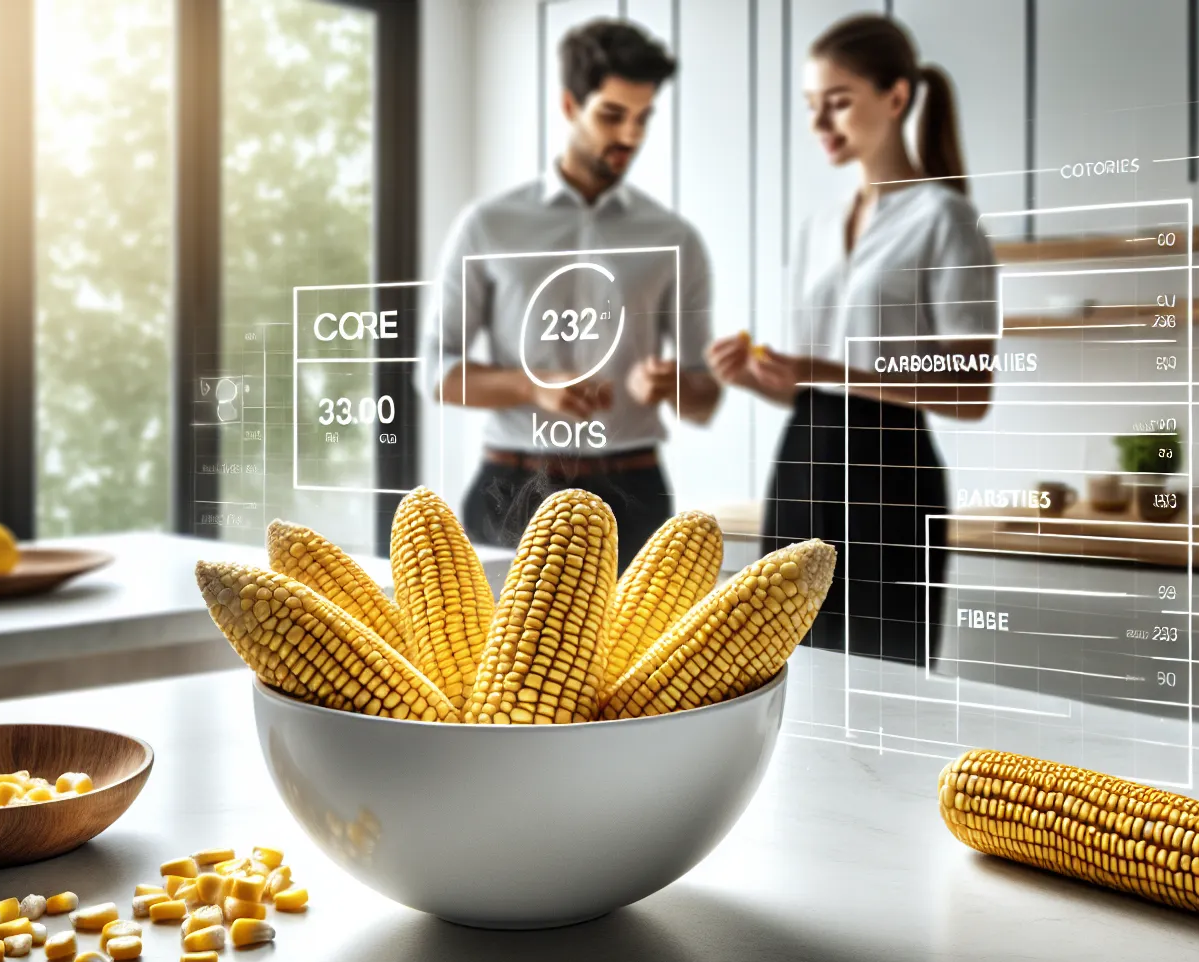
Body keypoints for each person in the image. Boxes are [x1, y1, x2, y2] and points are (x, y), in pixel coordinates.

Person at [706, 14, 997, 667]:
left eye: (839, 103)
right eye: (813, 107)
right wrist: (763, 376)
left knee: (882, 674)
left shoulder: (944, 218)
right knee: (781, 664)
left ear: (895, 98)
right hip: (802, 465)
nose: (821, 124)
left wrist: (825, 368)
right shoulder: (819, 226)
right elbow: (814, 384)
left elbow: (972, 390)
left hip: (887, 477)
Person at [421, 19, 718, 565]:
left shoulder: (673, 238)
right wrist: (530, 387)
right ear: (568, 105)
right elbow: (434, 370)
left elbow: (704, 396)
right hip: (510, 493)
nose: (630, 136)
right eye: (612, 114)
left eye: (642, 118)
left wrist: (675, 381)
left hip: (635, 496)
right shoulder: (488, 225)